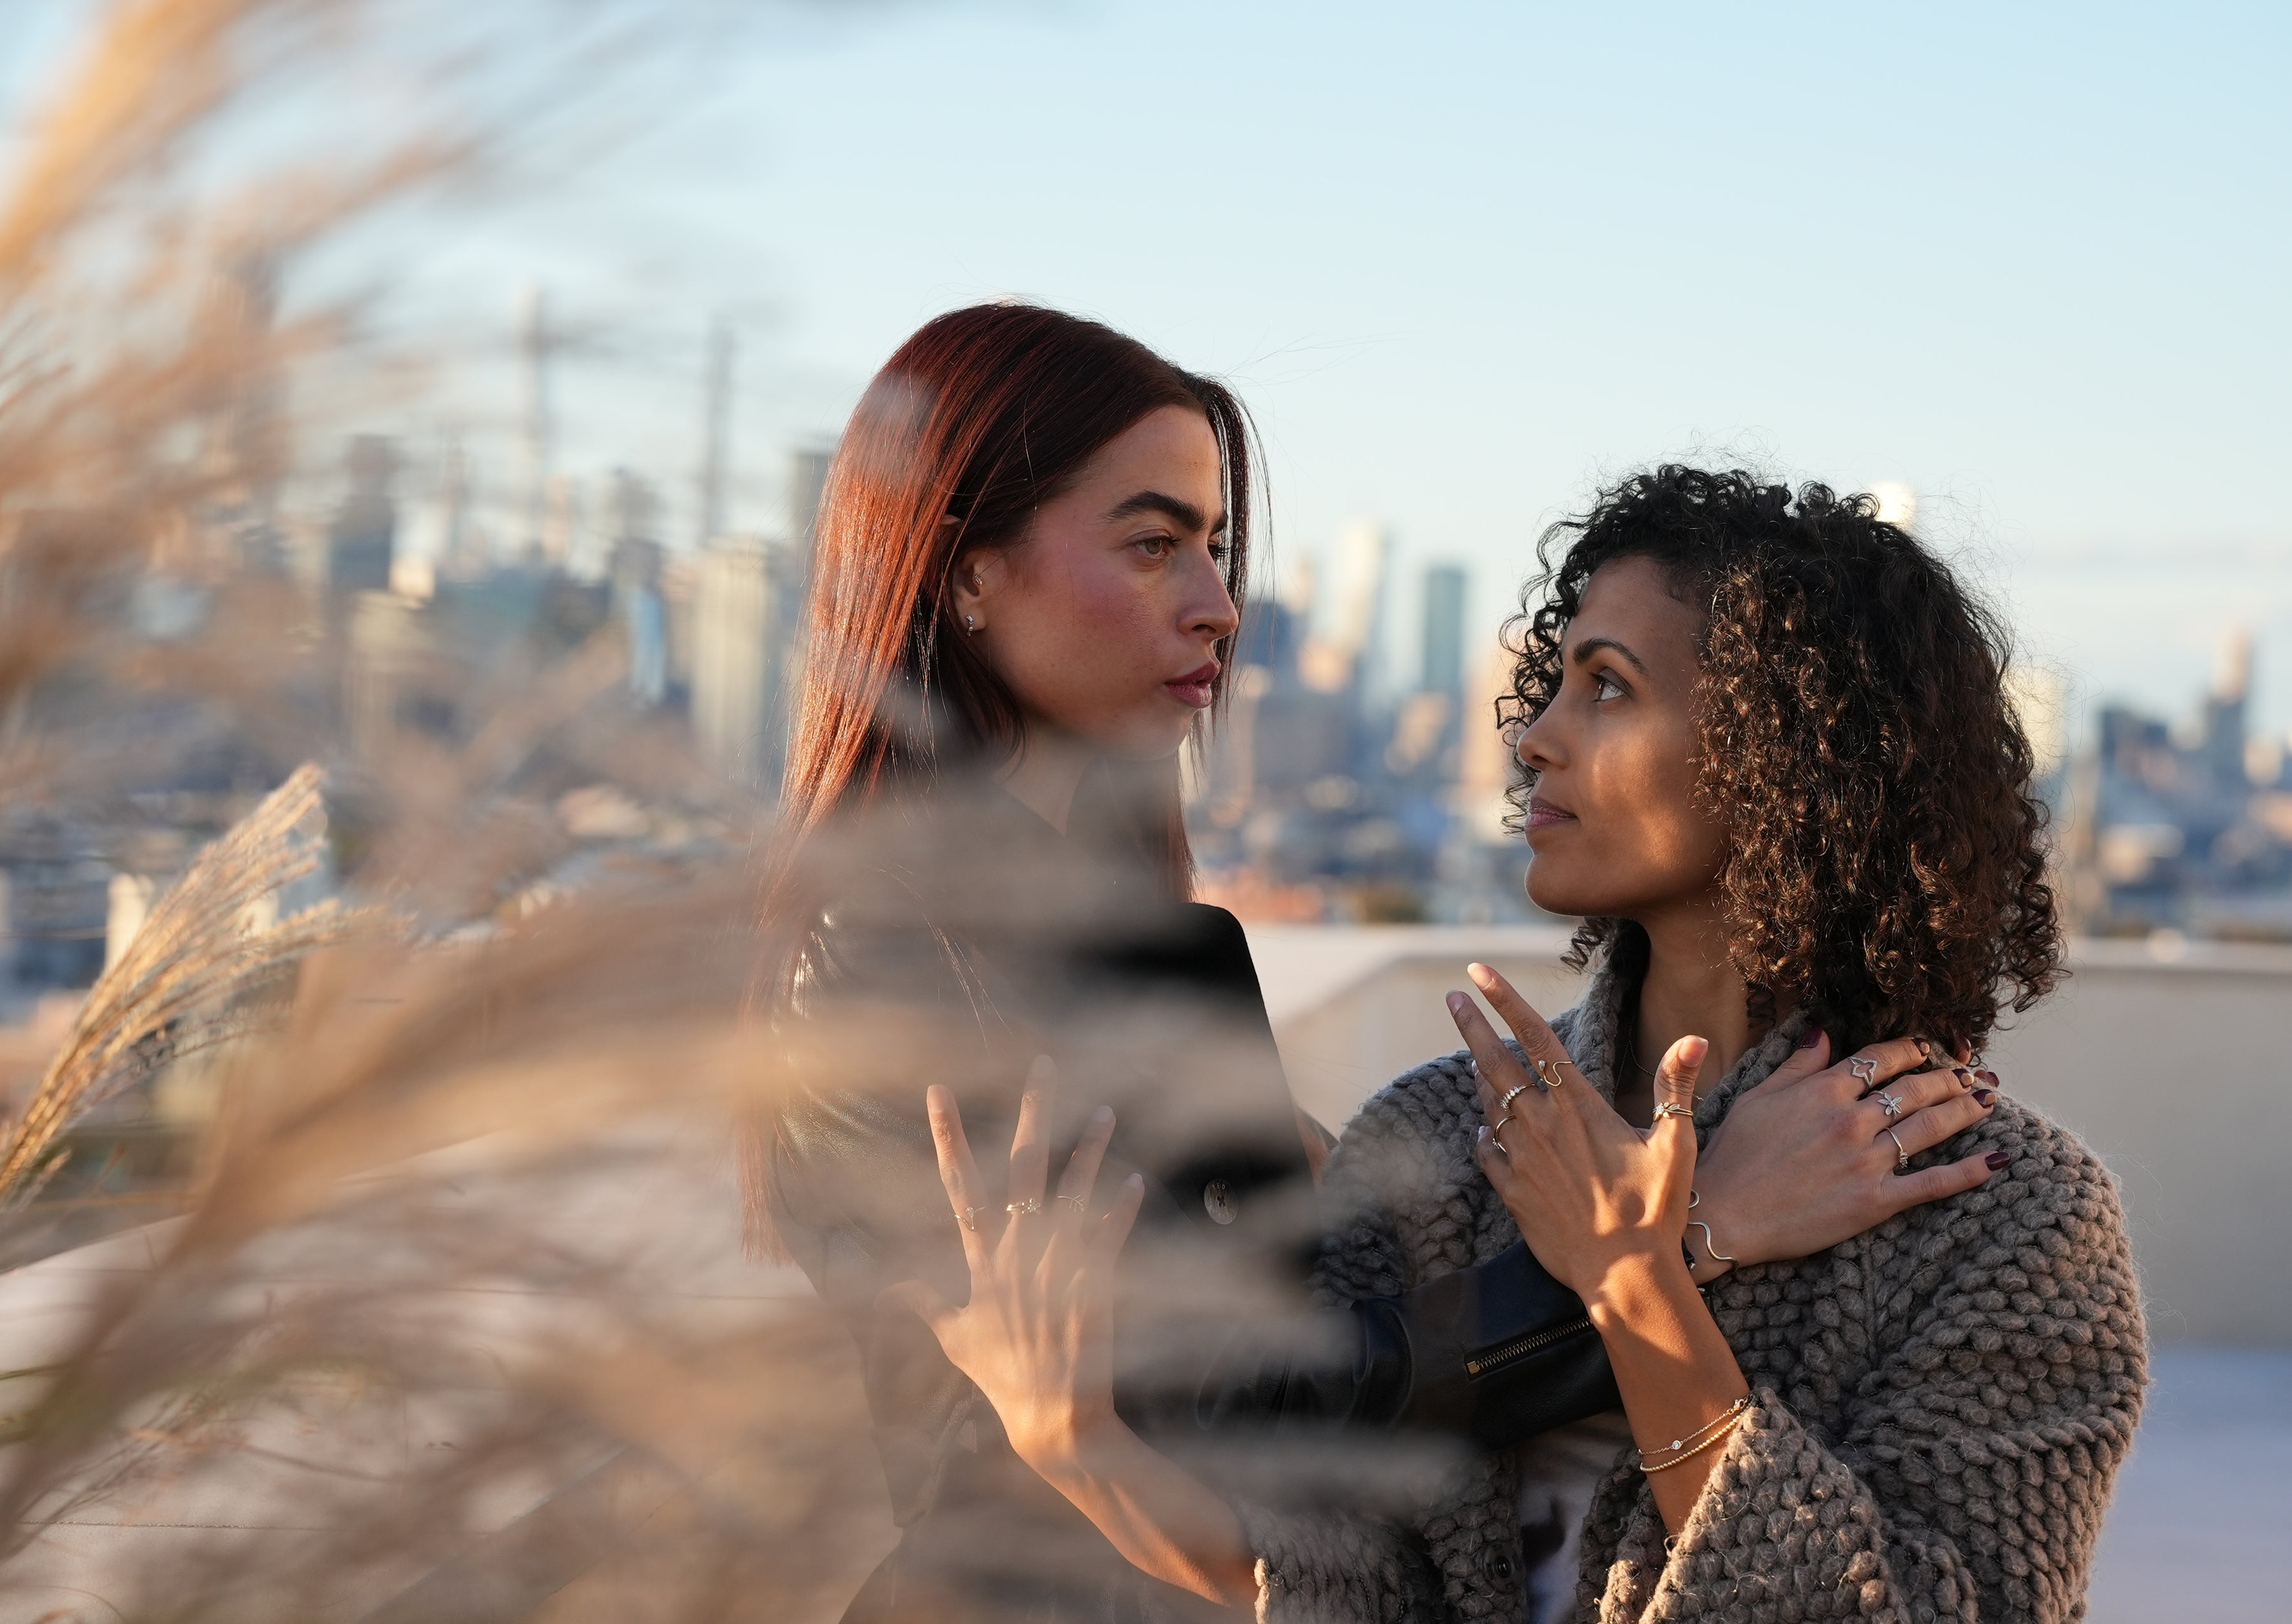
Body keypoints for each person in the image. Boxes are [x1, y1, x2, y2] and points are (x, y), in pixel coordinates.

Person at [750, 310, 2013, 1623]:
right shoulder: (890, 953)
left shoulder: (1146, 940)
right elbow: (1244, 1412)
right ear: (966, 574)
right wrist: (1697, 1232)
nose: (1218, 605)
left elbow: (1298, 1309)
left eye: (1215, 548)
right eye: (1151, 545)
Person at [1247, 467, 2148, 1623]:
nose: (1534, 740)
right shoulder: (1433, 1143)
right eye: (1554, 684)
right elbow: (1311, 1549)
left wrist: (1641, 1282)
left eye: (1608, 688)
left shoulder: (2010, 1215)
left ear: (1787, 754)